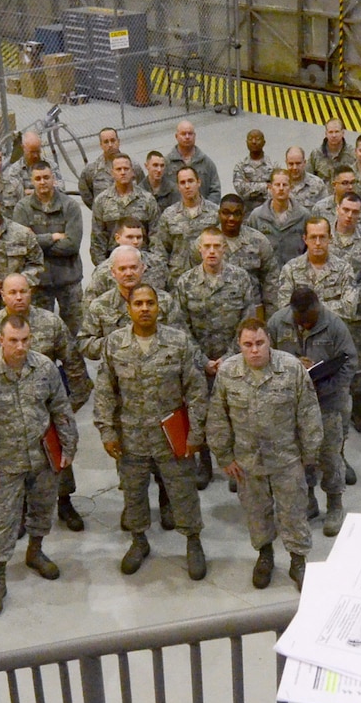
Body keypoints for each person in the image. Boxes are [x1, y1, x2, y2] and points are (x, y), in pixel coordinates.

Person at [0, 314, 76, 616]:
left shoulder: (44, 367)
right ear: (0, 341)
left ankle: (35, 552)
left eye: (25, 340)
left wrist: (68, 446)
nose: (20, 346)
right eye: (13, 340)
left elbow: (61, 408)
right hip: (6, 463)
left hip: (42, 458)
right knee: (3, 522)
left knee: (42, 509)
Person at [95, 285, 207, 580]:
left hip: (172, 434)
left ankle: (193, 541)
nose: (145, 308)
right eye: (138, 303)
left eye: (150, 303)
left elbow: (195, 390)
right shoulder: (115, 344)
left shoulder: (178, 342)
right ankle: (139, 541)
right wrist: (107, 431)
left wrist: (196, 432)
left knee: (183, 491)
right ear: (128, 309)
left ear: (159, 307)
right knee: (133, 493)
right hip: (130, 437)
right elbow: (105, 390)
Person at [208, 317, 321, 589]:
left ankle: (298, 560)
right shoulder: (228, 373)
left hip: (287, 458)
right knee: (256, 513)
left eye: (259, 343)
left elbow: (309, 414)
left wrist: (309, 455)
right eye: (248, 344)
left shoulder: (291, 369)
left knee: (293, 512)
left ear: (269, 341)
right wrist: (224, 456)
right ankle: (265, 555)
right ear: (239, 344)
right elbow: (217, 417)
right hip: (247, 462)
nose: (254, 350)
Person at [0, 272, 90, 531]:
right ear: (1, 295)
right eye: (11, 292)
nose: (18, 297)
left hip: (44, 411)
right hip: (5, 418)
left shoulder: (51, 323)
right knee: (14, 473)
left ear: (31, 292)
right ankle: (21, 511)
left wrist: (67, 411)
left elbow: (74, 365)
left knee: (57, 463)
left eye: (23, 291)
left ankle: (64, 502)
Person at [175, 229, 259, 487]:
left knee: (235, 412)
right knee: (199, 412)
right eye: (207, 246)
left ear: (225, 249)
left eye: (217, 246)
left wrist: (230, 356)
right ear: (199, 249)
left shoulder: (240, 279)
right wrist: (202, 360)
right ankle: (205, 463)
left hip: (233, 359)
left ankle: (235, 464)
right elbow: (180, 326)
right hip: (198, 363)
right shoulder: (185, 282)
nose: (212, 251)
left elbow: (248, 320)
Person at [269, 286, 355, 535]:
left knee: (329, 455)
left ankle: (335, 504)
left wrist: (325, 385)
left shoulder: (335, 325)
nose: (306, 324)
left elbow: (350, 362)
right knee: (301, 455)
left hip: (326, 403)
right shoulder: (277, 323)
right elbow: (266, 356)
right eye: (301, 320)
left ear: (318, 306)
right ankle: (308, 499)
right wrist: (292, 367)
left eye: (311, 319)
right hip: (292, 405)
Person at [329, 192, 361, 433]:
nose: (349, 216)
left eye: (355, 212)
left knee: (358, 362)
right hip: (325, 316)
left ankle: (358, 409)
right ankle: (328, 410)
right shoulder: (323, 235)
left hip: (356, 316)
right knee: (326, 361)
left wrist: (349, 300)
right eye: (346, 210)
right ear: (337, 208)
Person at [17, 159, 85, 330]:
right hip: (39, 282)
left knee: (75, 330)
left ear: (53, 178)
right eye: (38, 178)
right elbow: (22, 245)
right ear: (32, 181)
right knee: (42, 332)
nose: (42, 182)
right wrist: (53, 237)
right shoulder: (22, 208)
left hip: (69, 280)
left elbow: (72, 245)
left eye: (46, 177)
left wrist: (37, 241)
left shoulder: (70, 206)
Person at [79, 247, 184, 359]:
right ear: (113, 272)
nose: (128, 273)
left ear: (143, 268)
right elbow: (85, 344)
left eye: (133, 267)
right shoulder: (100, 306)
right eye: (122, 269)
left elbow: (182, 338)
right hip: (121, 370)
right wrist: (116, 343)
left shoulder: (164, 301)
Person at [274, 217, 361, 322]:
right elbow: (284, 308)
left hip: (333, 332)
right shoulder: (290, 269)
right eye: (313, 237)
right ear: (305, 239)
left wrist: (310, 308)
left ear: (330, 238)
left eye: (322, 237)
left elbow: (349, 309)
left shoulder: (344, 269)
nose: (318, 243)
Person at [82, 217, 172, 302]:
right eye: (130, 237)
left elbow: (169, 294)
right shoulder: (104, 270)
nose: (136, 241)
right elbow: (90, 302)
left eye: (139, 237)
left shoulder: (157, 264)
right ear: (117, 238)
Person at [92, 155, 158, 266]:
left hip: (142, 263)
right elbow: (97, 240)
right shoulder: (102, 201)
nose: (123, 172)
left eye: (126, 169)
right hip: (113, 265)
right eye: (118, 169)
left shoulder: (147, 200)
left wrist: (151, 265)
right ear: (112, 173)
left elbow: (156, 236)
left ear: (132, 172)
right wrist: (104, 268)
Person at [156, 163, 220, 276]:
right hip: (178, 278)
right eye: (182, 182)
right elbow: (161, 250)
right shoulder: (169, 215)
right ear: (178, 186)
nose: (187, 186)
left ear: (198, 182)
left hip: (208, 276)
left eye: (190, 181)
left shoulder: (215, 212)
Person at [217, 193, 277, 312]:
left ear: (244, 215)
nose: (231, 218)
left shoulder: (259, 241)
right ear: (219, 214)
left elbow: (271, 280)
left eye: (237, 213)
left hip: (252, 310)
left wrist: (271, 316)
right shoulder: (207, 242)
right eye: (226, 212)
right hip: (217, 313)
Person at [248, 168, 311, 267]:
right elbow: (251, 249)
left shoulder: (303, 216)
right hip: (267, 277)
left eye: (285, 185)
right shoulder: (257, 216)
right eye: (277, 185)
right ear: (270, 187)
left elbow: (309, 249)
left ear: (291, 187)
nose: (281, 188)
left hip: (296, 275)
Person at [167, 118, 222, 203]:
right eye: (183, 134)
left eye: (190, 133)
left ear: (195, 136)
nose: (187, 137)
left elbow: (215, 191)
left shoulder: (206, 163)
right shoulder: (166, 163)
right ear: (176, 136)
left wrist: (206, 210)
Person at [76, 126, 123, 210]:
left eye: (113, 141)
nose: (110, 145)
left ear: (118, 142)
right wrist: (98, 210)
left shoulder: (133, 166)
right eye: (106, 142)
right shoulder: (91, 170)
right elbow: (85, 194)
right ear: (101, 145)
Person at [280, 146, 331, 214]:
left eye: (298, 163)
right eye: (291, 164)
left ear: (304, 163)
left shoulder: (317, 184)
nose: (295, 168)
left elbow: (325, 211)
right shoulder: (279, 185)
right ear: (286, 163)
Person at [233, 128, 274, 210]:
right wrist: (265, 185)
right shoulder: (240, 165)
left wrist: (250, 186)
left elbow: (275, 190)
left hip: (269, 211)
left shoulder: (273, 165)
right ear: (246, 142)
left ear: (264, 142)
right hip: (247, 212)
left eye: (257, 139)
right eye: (250, 139)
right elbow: (241, 189)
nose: (254, 142)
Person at [307, 117, 351, 182]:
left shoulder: (352, 154)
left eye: (337, 131)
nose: (334, 135)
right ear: (326, 134)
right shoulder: (315, 154)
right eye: (330, 132)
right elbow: (308, 179)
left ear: (343, 133)